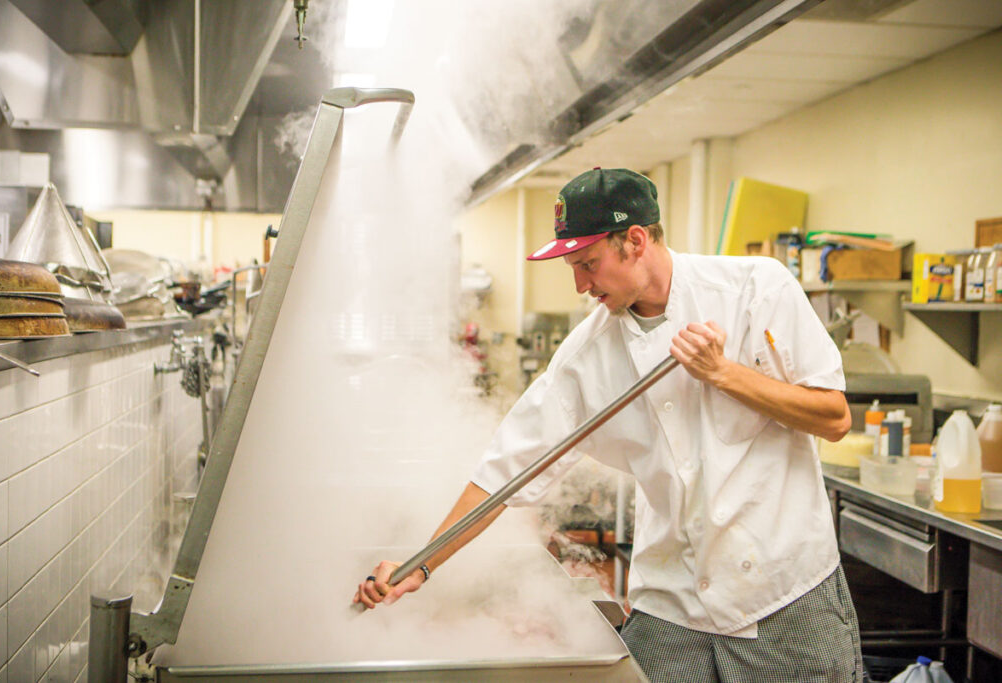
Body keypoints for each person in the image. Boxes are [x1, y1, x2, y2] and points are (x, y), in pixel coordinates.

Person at [353, 167, 863, 682]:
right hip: (674, 604)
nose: (580, 284)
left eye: (588, 263)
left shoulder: (756, 289)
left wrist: (722, 373)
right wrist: (420, 565)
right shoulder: (586, 354)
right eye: (573, 267)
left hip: (785, 596)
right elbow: (503, 472)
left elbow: (833, 416)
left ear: (635, 241)